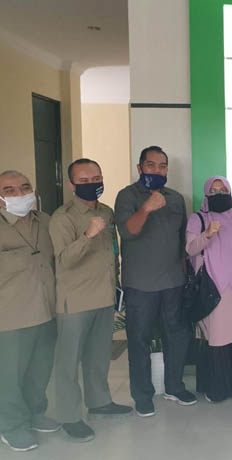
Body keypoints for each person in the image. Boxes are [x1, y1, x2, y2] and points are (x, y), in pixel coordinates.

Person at [49, 159, 133, 442]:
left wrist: (116, 286)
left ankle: (99, 402)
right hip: (75, 301)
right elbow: (64, 260)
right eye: (84, 181)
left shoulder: (106, 212)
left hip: (104, 296)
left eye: (96, 178)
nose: (92, 184)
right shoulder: (62, 218)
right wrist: (88, 235)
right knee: (68, 362)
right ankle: (69, 416)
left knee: (98, 356)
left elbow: (112, 252)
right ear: (71, 184)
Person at [115, 146, 197, 417]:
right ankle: (142, 395)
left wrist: (185, 276)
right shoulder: (127, 196)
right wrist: (147, 208)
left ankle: (174, 387)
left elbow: (182, 240)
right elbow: (129, 232)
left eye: (162, 166)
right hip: (140, 285)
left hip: (173, 282)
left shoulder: (176, 198)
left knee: (177, 336)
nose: (157, 170)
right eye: (151, 165)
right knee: (139, 340)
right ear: (140, 168)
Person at [0, 170, 58, 452]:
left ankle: (36, 413)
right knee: (9, 376)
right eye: (9, 190)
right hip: (10, 316)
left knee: (40, 370)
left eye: (25, 187)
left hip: (46, 310)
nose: (20, 194)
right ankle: (11, 426)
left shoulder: (45, 221)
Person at [186, 176, 232, 402]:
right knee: (218, 337)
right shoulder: (198, 218)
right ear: (207, 194)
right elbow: (190, 249)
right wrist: (207, 234)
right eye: (214, 191)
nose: (219, 194)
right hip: (214, 288)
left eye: (223, 190)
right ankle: (217, 387)